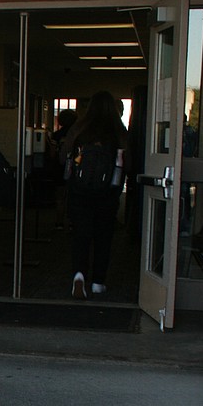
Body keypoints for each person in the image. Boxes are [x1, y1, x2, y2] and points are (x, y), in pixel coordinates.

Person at [61, 90, 130, 299]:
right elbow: (128, 162)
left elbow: (64, 156)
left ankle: (79, 275)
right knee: (103, 235)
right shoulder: (118, 130)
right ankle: (98, 282)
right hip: (108, 193)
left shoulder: (80, 128)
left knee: (81, 234)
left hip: (79, 191)